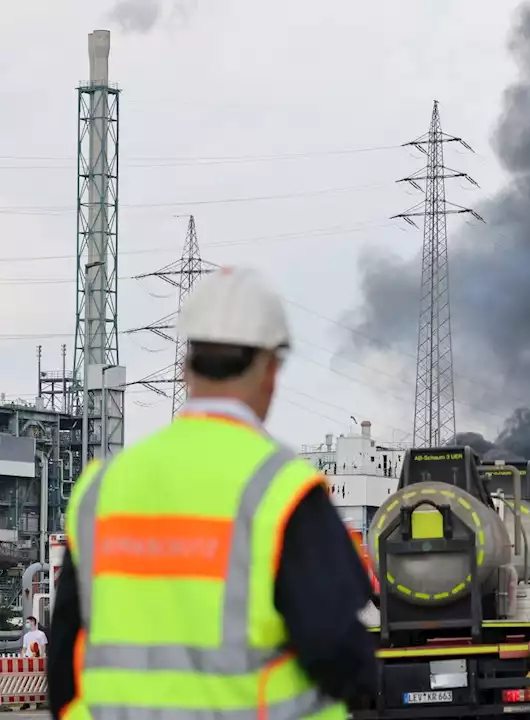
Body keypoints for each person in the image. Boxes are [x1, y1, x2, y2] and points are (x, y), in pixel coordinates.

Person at [47, 267, 377, 719]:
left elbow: (63, 658)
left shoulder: (102, 490)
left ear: (185, 366)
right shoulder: (282, 491)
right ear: (270, 369)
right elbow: (338, 650)